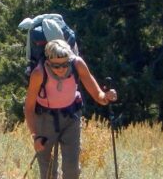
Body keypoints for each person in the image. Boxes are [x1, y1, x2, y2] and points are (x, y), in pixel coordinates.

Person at [24, 39, 117, 179]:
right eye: (56, 66)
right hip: (45, 121)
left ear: (70, 59)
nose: (61, 69)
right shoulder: (39, 73)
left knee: (72, 171)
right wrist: (35, 136)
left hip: (71, 119)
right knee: (48, 171)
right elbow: (29, 107)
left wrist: (107, 97)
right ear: (48, 62)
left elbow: (98, 95)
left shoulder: (77, 64)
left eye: (65, 64)